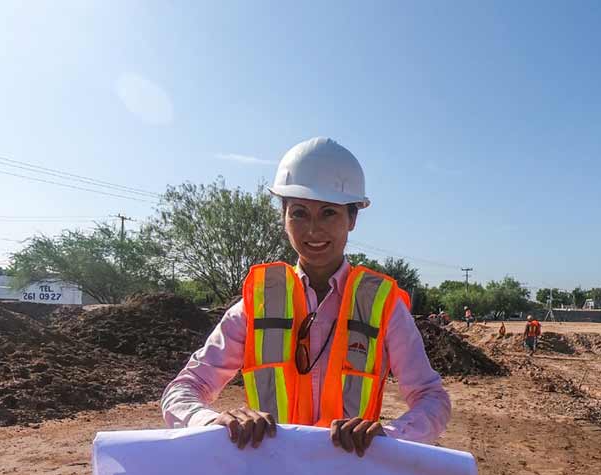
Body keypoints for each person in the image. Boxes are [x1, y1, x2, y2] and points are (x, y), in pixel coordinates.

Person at [162, 137, 450, 457]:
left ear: (352, 219)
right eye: (299, 213)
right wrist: (212, 420)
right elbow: (182, 390)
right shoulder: (255, 305)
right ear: (284, 216)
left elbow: (432, 398)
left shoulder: (383, 307)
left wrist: (387, 434)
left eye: (328, 213)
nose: (313, 230)